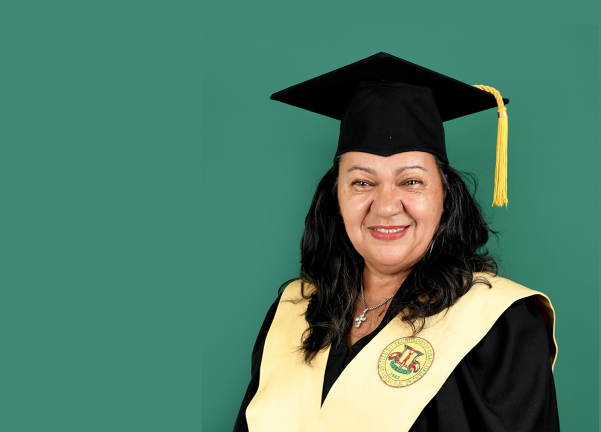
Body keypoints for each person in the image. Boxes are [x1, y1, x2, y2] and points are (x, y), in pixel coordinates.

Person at [233, 52, 559, 432]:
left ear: (445, 198)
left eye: (411, 181)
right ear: (336, 199)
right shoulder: (293, 312)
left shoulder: (498, 325)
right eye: (361, 182)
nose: (386, 206)